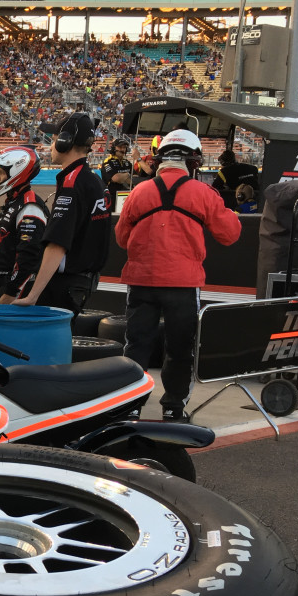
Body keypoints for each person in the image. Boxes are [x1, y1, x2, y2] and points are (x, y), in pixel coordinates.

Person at [115, 129, 242, 421]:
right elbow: (230, 235)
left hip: (141, 281)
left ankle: (128, 406)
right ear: (193, 162)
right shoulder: (203, 193)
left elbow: (122, 239)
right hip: (183, 284)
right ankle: (173, 408)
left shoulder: (139, 192)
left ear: (160, 160)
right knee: (181, 348)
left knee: (136, 346)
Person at [12, 113, 112, 316]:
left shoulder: (71, 183)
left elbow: (57, 243)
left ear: (65, 141)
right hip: (83, 283)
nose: (51, 145)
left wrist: (33, 295)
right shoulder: (95, 181)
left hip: (64, 285)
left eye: (54, 139)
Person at [0, 145, 48, 305]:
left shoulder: (29, 205)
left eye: (1, 172)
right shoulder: (15, 202)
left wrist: (11, 292)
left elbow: (29, 255)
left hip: (15, 292)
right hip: (2, 284)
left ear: (16, 172)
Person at [100, 137, 133, 210]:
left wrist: (123, 177)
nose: (122, 149)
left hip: (126, 197)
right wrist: (127, 175)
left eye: (124, 147)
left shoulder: (127, 162)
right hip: (111, 198)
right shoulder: (108, 162)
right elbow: (116, 178)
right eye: (120, 147)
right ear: (114, 148)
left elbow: (133, 180)